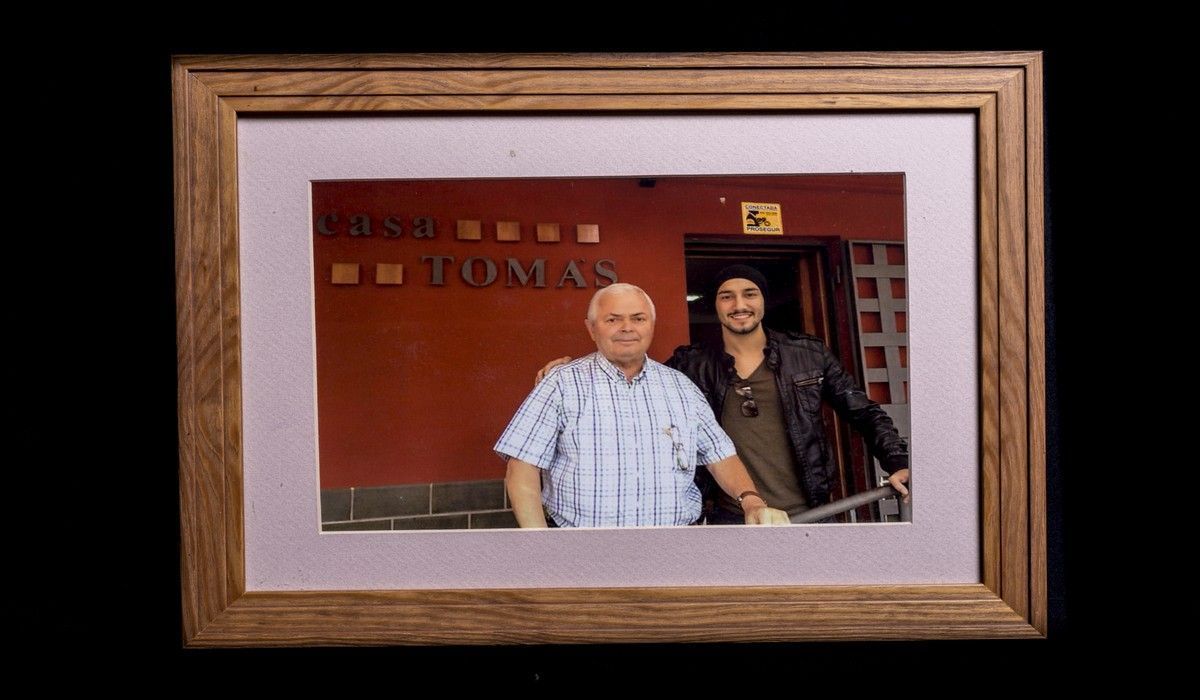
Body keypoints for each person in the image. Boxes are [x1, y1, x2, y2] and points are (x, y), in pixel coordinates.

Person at [537, 265, 910, 525]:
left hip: (810, 509)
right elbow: (633, 371)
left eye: (749, 293)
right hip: (730, 513)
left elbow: (863, 411)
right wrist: (570, 366)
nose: (739, 305)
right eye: (726, 296)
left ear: (762, 301)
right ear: (714, 305)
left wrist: (897, 461)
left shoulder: (808, 355)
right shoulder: (691, 364)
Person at [494, 283, 790, 528]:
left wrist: (751, 500)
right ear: (591, 328)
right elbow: (521, 469)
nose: (627, 328)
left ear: (651, 325)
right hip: (582, 550)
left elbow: (720, 455)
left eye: (638, 318)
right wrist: (540, 547)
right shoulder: (560, 384)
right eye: (613, 319)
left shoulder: (681, 386)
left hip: (675, 549)